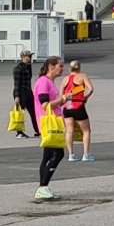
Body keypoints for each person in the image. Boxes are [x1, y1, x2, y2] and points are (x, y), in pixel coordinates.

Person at [32, 55, 65, 200]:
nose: (62, 69)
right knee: (57, 154)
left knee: (48, 155)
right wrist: (63, 99)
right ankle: (43, 186)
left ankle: (43, 186)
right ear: (51, 66)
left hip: (54, 122)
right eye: (60, 66)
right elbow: (45, 105)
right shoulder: (43, 82)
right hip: (48, 123)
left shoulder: (50, 82)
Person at [59, 60, 94, 161]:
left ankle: (71, 155)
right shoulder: (82, 76)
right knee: (86, 131)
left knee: (69, 131)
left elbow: (62, 95)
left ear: (70, 68)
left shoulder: (65, 79)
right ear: (79, 68)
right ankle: (86, 155)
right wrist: (85, 97)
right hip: (78, 106)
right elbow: (90, 89)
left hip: (67, 107)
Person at [13, 50, 36, 133]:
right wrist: (17, 96)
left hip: (28, 91)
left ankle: (37, 130)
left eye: (30, 56)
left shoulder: (28, 66)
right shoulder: (18, 69)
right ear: (22, 57)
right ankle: (19, 132)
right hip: (21, 92)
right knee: (21, 113)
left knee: (34, 111)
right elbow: (16, 84)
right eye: (28, 56)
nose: (30, 58)